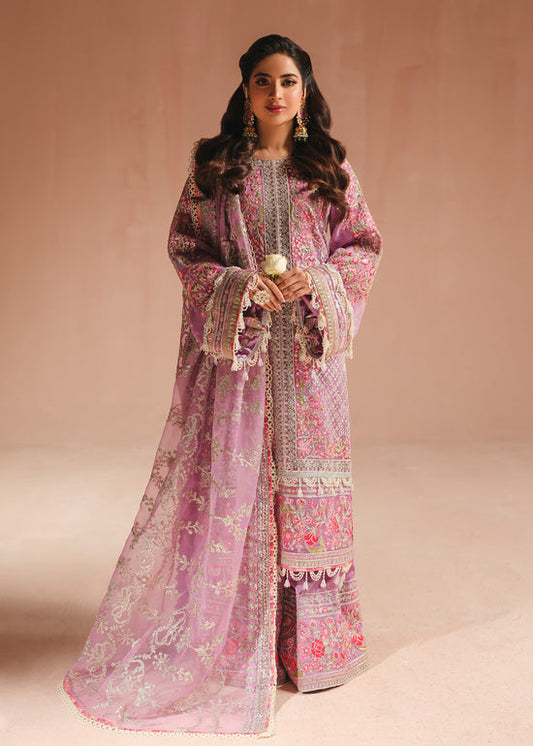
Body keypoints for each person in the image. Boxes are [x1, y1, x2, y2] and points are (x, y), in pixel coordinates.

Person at [60, 34, 382, 737]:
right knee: (236, 492)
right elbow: (186, 248)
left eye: (288, 81)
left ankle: (312, 651)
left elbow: (361, 247)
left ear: (304, 91)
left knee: (307, 492)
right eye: (263, 80)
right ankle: (236, 642)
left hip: (307, 364)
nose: (275, 93)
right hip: (238, 365)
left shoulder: (328, 168)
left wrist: (316, 280)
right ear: (245, 90)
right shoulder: (215, 171)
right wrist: (239, 287)